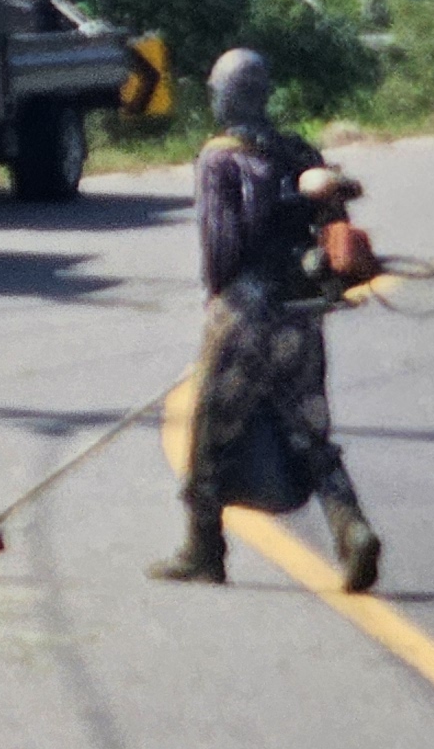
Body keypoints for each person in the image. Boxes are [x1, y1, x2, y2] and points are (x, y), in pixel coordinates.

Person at [152, 45, 383, 593]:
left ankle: (203, 550)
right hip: (302, 312)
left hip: (247, 313)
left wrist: (220, 306)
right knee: (312, 433)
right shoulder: (297, 151)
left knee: (211, 433)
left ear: (228, 95)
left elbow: (221, 249)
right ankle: (352, 531)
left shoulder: (219, 157)